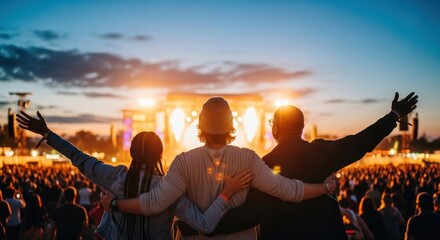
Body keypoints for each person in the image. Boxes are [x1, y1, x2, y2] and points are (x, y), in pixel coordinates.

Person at [185, 92, 418, 239]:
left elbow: (254, 213)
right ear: (302, 128)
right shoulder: (322, 153)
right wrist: (393, 115)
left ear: (274, 129)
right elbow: (360, 142)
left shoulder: (265, 165)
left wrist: (201, 225)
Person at [100, 97, 337, 239]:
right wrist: (325, 187)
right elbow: (290, 190)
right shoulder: (249, 159)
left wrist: (114, 204)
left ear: (201, 126)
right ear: (231, 126)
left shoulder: (182, 162)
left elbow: (153, 203)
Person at [16, 111, 253, 240]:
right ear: (160, 153)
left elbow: (78, 157)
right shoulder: (170, 188)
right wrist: (225, 194)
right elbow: (205, 224)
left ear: (130, 152)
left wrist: (47, 133)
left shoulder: (114, 177)